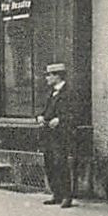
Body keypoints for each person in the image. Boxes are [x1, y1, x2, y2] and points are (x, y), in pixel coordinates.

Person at [36, 61, 77, 206]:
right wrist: (41, 116)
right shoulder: (51, 92)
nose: (47, 78)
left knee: (61, 164)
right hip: (49, 135)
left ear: (57, 76)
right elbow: (45, 110)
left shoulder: (69, 92)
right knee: (49, 164)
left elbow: (75, 114)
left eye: (49, 75)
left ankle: (67, 196)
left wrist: (60, 120)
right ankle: (57, 194)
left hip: (61, 136)